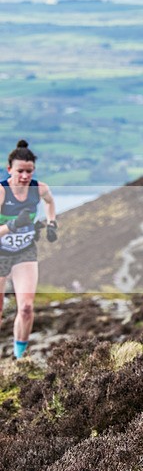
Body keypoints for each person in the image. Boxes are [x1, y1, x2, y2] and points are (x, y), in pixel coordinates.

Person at [0, 140, 57, 359]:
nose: (25, 176)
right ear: (9, 170)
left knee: (25, 308)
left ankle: (18, 357)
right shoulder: (3, 193)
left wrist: (52, 223)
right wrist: (12, 225)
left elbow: (50, 202)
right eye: (20, 171)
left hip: (24, 251)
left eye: (29, 171)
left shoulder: (39, 188)